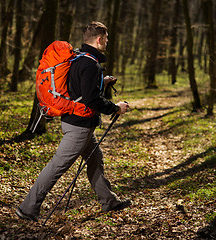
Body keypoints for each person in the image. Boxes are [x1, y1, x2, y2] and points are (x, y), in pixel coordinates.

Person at [16, 21, 131, 222]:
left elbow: (78, 88)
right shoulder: (91, 64)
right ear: (100, 39)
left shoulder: (78, 58)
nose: (107, 42)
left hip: (76, 122)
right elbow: (91, 100)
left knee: (95, 160)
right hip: (79, 126)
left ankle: (109, 201)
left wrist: (102, 82)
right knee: (57, 166)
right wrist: (116, 108)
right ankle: (28, 208)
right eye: (106, 39)